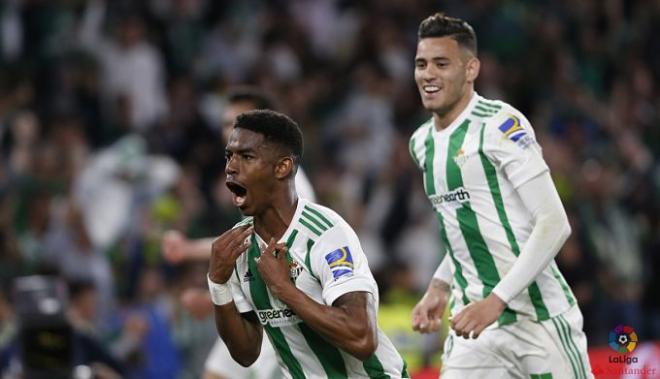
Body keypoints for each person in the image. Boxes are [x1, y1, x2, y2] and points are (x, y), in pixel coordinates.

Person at [408, 13, 593, 379]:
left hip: (537, 319)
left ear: (471, 68)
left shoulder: (499, 125)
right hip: (474, 326)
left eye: (442, 64)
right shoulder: (421, 143)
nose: (428, 74)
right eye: (421, 64)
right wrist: (439, 285)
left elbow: (554, 224)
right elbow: (465, 228)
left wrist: (497, 300)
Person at [208, 109, 408, 378]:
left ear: (282, 167)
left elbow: (362, 338)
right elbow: (246, 354)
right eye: (229, 156)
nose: (231, 167)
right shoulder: (239, 247)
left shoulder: (325, 233)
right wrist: (217, 283)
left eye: (246, 157)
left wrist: (283, 289)